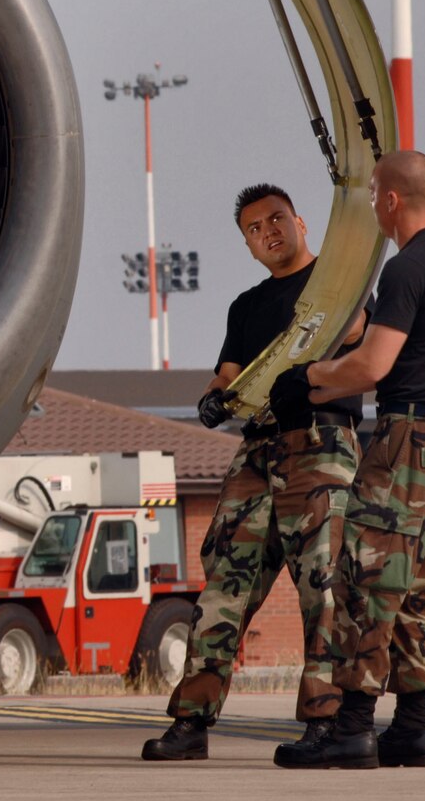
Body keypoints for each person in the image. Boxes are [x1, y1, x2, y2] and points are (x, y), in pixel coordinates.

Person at [141, 183, 362, 762]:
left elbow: (361, 342)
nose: (268, 232)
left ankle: (325, 722)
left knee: (323, 585)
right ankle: (191, 723)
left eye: (276, 220)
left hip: (320, 440)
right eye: (254, 230)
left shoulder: (338, 285)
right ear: (248, 245)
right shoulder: (245, 306)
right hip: (257, 449)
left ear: (301, 222)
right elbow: (228, 375)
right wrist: (212, 400)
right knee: (223, 586)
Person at [274, 149, 425, 770]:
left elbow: (373, 365)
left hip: (406, 446)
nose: (372, 208)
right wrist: (312, 392)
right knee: (415, 590)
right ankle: (414, 727)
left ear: (391, 200)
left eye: (373, 197)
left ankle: (352, 728)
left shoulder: (407, 268)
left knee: (364, 584)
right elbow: (398, 372)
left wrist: (307, 373)